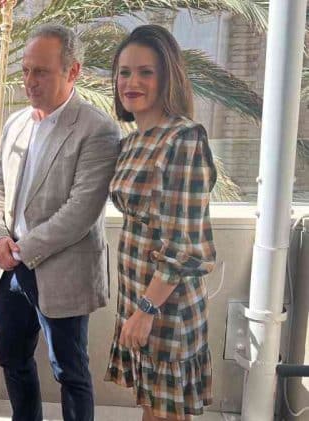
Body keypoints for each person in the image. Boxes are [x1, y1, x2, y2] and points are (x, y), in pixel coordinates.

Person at [0, 24, 121, 421]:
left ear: (72, 71)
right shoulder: (15, 124)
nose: (29, 81)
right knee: (11, 357)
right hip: (10, 267)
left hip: (62, 269)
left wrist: (23, 249)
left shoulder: (98, 130)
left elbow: (81, 212)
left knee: (70, 371)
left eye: (40, 71)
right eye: (25, 70)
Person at [104, 25, 217, 421]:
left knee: (168, 413)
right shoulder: (132, 141)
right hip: (137, 294)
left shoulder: (183, 138)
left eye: (145, 72)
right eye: (123, 72)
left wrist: (147, 309)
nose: (131, 82)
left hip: (164, 305)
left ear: (167, 77)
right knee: (151, 406)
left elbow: (186, 244)